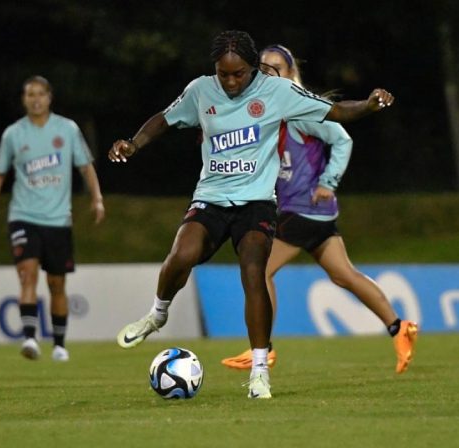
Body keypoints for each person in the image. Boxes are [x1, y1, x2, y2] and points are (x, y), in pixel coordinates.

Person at [109, 30, 394, 399]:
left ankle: (260, 370)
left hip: (257, 201)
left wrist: (370, 105)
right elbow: (164, 119)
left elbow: (335, 111)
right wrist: (133, 143)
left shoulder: (278, 92)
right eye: (223, 73)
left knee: (254, 270)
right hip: (211, 197)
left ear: (252, 68)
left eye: (238, 73)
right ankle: (158, 314)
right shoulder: (201, 90)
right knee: (182, 255)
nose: (230, 81)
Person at [220, 45, 418, 374]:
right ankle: (400, 328)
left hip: (305, 208)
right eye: (263, 67)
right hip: (312, 213)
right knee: (344, 275)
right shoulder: (262, 111)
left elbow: (342, 138)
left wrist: (329, 180)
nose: (268, 72)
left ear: (290, 73)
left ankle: (262, 349)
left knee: (260, 269)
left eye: (276, 67)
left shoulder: (300, 109)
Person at [0, 75, 105, 362]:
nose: (35, 99)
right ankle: (30, 338)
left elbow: (86, 166)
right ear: (24, 99)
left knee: (57, 283)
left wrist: (96, 198)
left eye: (40, 94)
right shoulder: (14, 134)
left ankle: (59, 344)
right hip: (23, 216)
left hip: (58, 219)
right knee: (28, 274)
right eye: (29, 94)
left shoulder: (67, 129)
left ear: (49, 97)